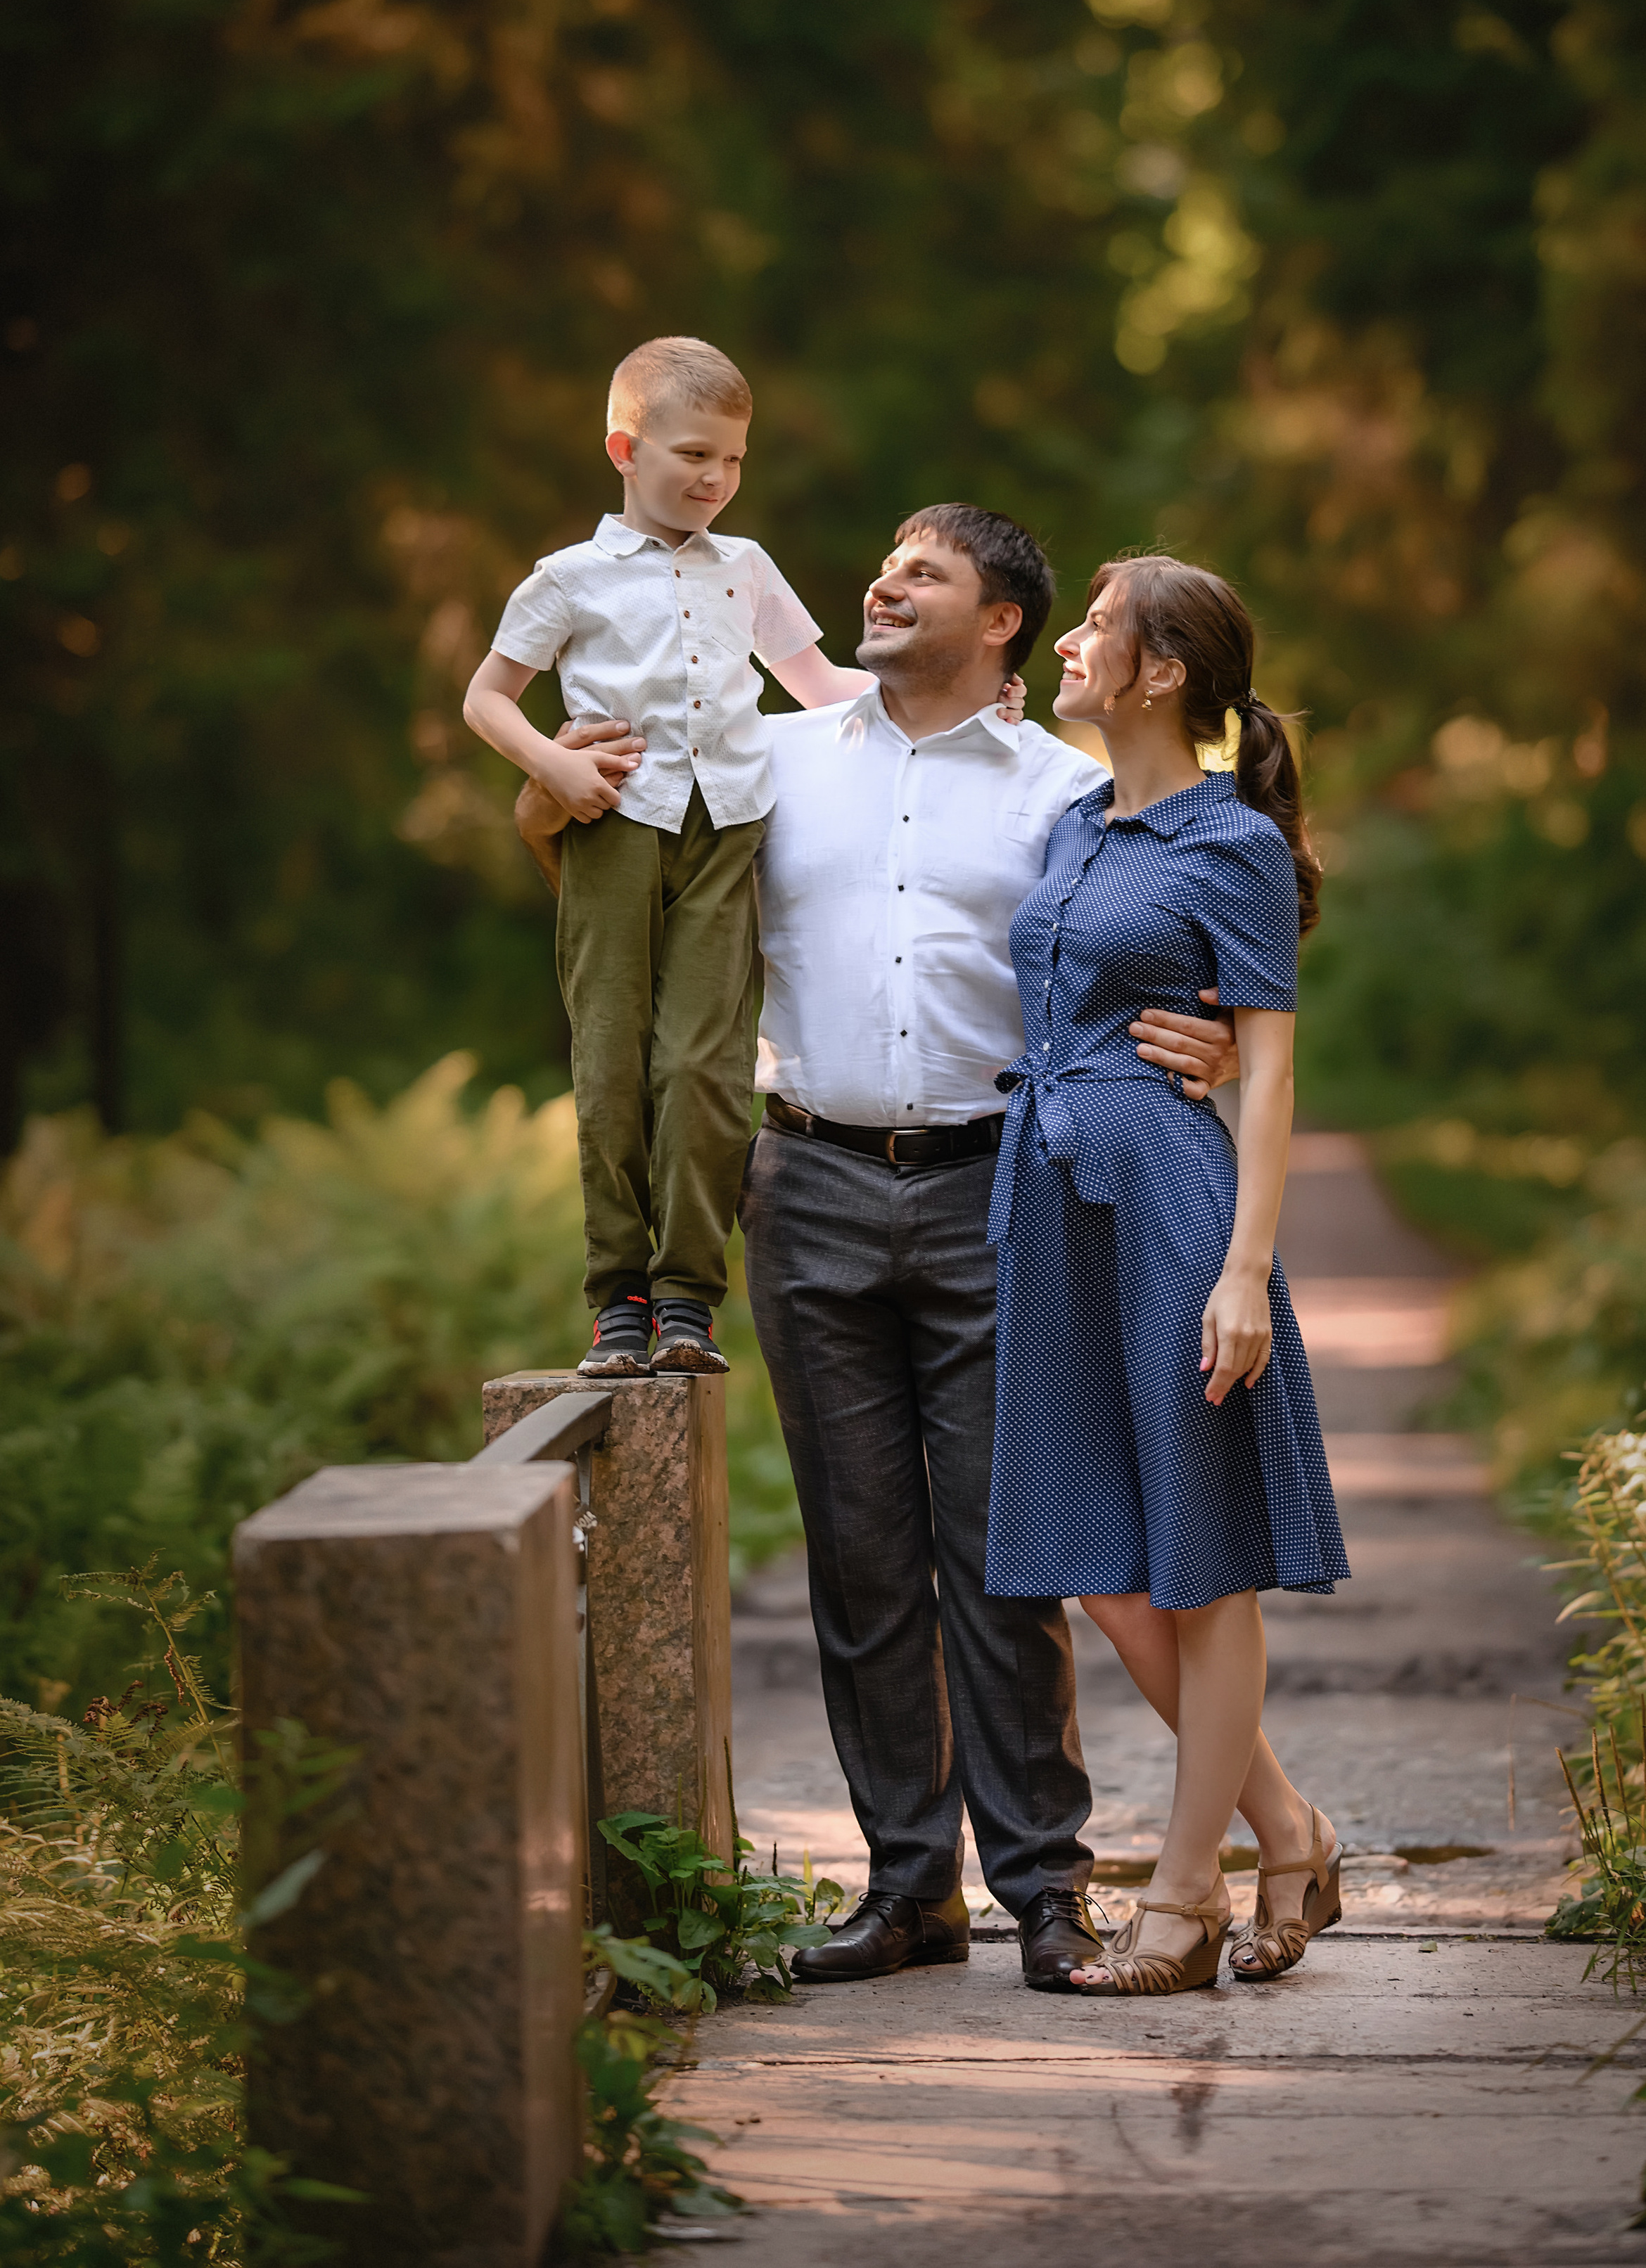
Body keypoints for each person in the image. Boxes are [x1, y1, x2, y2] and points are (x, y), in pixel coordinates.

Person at [514, 506, 1234, 1994]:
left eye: (927, 575)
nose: (884, 584)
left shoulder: (1062, 792)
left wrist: (1211, 1032)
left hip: (999, 1187)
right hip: (809, 1182)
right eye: (886, 566)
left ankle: (1044, 1887)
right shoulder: (761, 757)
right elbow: (582, 845)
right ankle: (908, 1891)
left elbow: (1163, 945)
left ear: (1002, 627)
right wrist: (549, 787)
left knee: (998, 1556)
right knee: (858, 1557)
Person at [985, 553, 1348, 1998]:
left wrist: (1245, 1270)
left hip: (1175, 1209)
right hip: (1055, 1205)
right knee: (1099, 1568)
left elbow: (1263, 1076)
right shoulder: (1073, 824)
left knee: (1196, 1564)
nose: (1067, 643)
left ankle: (1185, 1897)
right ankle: (1290, 1826)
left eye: (1093, 628)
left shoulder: (1234, 844)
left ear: (1157, 673)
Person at [463, 335, 875, 1377]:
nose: (715, 479)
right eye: (693, 454)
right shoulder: (567, 579)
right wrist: (551, 770)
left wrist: (959, 700)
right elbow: (487, 699)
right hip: (613, 824)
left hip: (729, 827)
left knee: (704, 1063)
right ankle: (619, 1298)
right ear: (624, 448)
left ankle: (689, 1294)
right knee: (612, 1058)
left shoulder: (748, 570)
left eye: (733, 462)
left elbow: (819, 685)